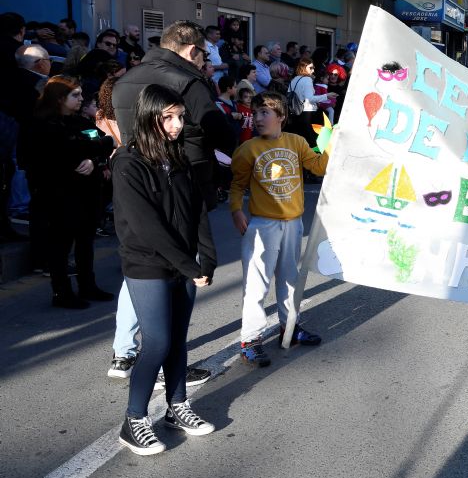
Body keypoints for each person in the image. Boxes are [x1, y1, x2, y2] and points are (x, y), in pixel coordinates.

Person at [111, 85, 217, 455]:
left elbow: (197, 208)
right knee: (156, 341)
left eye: (180, 116)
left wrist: (207, 255)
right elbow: (147, 226)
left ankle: (177, 406)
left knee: (177, 339)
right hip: (147, 264)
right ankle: (134, 419)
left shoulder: (178, 155)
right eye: (168, 117)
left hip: (182, 262)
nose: (176, 125)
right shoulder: (128, 163)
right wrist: (189, 265)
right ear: (148, 116)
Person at [230, 91, 330, 367]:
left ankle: (290, 328)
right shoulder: (248, 149)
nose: (258, 118)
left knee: (289, 278)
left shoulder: (296, 142)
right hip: (263, 224)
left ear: (281, 118)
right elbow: (237, 185)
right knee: (257, 283)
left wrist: (332, 144)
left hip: (293, 222)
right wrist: (236, 210)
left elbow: (319, 168)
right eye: (256, 112)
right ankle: (250, 339)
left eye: (265, 113)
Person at [21, 76, 114, 307]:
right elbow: (56, 154)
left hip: (86, 194)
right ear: (59, 97)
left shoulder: (79, 122)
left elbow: (106, 141)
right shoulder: (40, 125)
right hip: (57, 196)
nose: (81, 99)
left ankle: (87, 285)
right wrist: (89, 150)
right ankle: (61, 292)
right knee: (60, 246)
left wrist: (93, 159)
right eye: (75, 95)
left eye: (81, 95)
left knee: (85, 241)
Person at [286, 59, 336, 146]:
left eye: (313, 68)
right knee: (311, 140)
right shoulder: (307, 80)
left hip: (294, 111)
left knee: (300, 138)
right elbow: (310, 99)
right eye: (311, 68)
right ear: (303, 67)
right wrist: (326, 96)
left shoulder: (295, 79)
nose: (313, 70)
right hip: (307, 112)